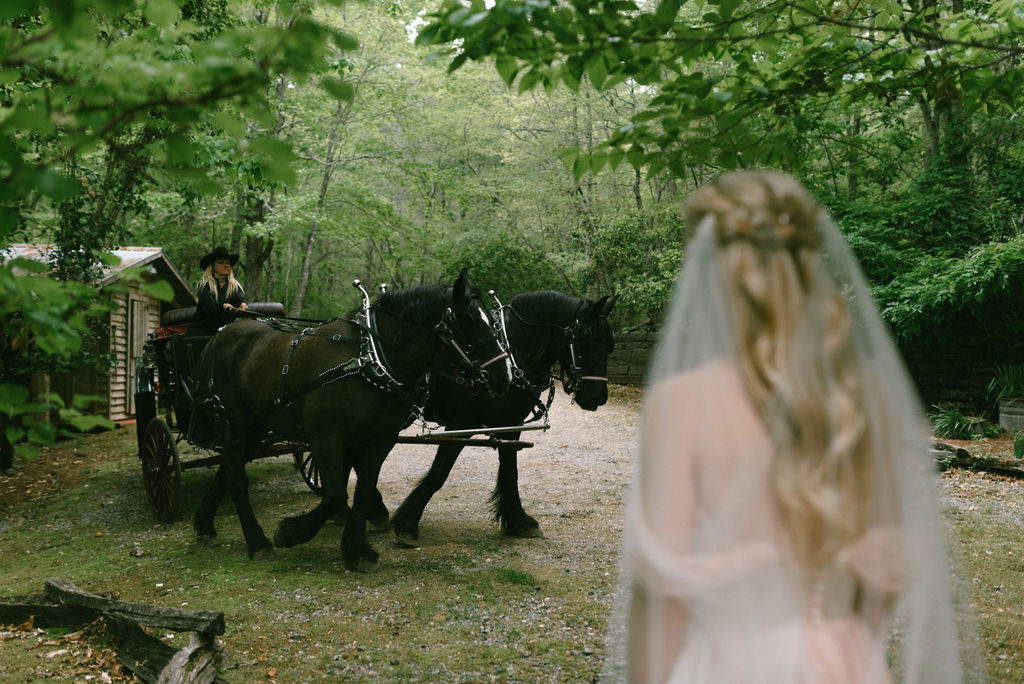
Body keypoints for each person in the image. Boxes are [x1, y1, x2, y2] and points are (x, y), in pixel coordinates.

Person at [614, 171, 980, 683]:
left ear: (711, 268)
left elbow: (660, 598)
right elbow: (886, 571)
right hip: (842, 661)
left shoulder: (680, 404)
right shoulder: (863, 394)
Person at [186, 246, 248, 337]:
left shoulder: (234, 286)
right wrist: (222, 306)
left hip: (225, 328)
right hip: (203, 328)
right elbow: (209, 308)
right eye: (221, 263)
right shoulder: (204, 285)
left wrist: (242, 303)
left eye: (228, 263)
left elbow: (240, 298)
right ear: (213, 266)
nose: (226, 265)